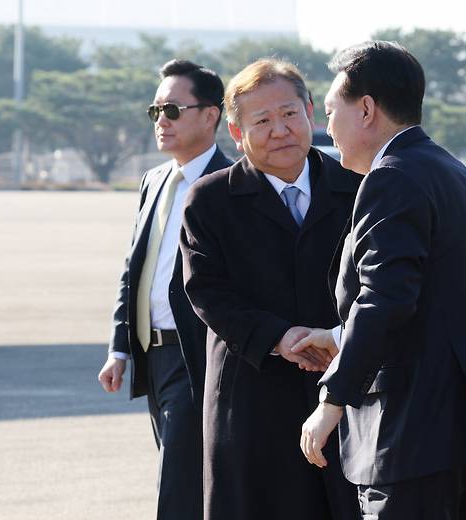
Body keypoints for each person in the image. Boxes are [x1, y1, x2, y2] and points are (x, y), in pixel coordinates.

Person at [296, 41, 466, 519]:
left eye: (332, 111)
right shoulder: (450, 170)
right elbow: (436, 297)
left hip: (414, 434)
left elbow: (385, 300)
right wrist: (337, 337)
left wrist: (332, 399)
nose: (325, 127)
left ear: (367, 110)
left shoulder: (391, 177)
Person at [179, 59, 361, 520]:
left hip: (343, 389)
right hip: (251, 391)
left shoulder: (359, 190)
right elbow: (207, 293)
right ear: (237, 134)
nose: (279, 130)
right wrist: (281, 338)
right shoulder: (209, 200)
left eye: (289, 114)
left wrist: (341, 339)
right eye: (261, 121)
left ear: (311, 114)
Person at [97, 59, 232, 520]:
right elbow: (134, 268)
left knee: (177, 486)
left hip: (200, 357)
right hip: (153, 358)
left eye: (173, 110)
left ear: (210, 115)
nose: (162, 122)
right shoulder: (154, 181)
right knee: (186, 481)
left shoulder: (231, 185)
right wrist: (120, 348)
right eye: (156, 111)